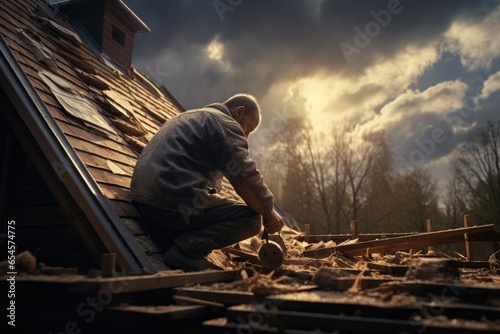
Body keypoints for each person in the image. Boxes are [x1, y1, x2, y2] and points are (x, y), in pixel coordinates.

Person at [129, 93, 285, 271]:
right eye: (248, 128)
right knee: (251, 218)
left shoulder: (186, 116)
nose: (246, 136)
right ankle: (186, 251)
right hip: (171, 206)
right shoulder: (225, 124)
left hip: (142, 201)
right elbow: (244, 174)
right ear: (239, 111)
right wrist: (267, 210)